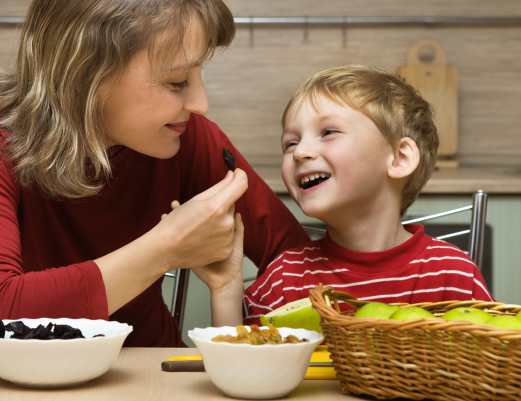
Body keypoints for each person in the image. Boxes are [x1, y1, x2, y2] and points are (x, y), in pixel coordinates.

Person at [0, 0, 310, 366]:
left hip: (155, 375)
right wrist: (165, 248)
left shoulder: (188, 137)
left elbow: (297, 264)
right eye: (176, 81)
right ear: (85, 75)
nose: (200, 103)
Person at [199, 65, 493, 328]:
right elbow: (244, 367)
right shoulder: (283, 278)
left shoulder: (454, 275)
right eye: (290, 143)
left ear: (399, 158)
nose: (300, 152)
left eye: (328, 132)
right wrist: (225, 289)